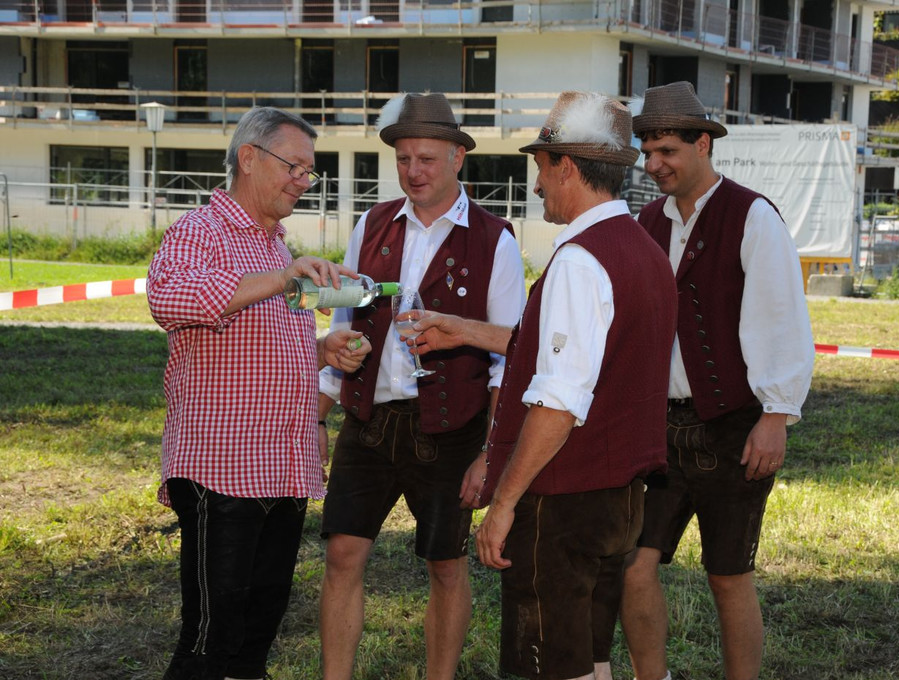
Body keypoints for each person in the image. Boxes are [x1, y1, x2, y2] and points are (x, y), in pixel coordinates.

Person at [147, 106, 371, 680]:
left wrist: (325, 350)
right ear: (248, 159)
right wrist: (282, 278)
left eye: (308, 171)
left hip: (280, 467)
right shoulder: (201, 231)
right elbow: (169, 300)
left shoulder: (276, 245)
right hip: (221, 469)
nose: (303, 180)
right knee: (209, 643)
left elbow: (264, 340)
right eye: (294, 166)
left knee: (254, 637)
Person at [316, 92, 526, 680]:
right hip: (368, 419)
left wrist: (491, 451)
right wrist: (318, 412)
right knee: (341, 553)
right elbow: (343, 324)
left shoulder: (494, 240)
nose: (413, 172)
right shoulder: (371, 224)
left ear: (459, 157)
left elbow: (511, 352)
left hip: (450, 429)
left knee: (446, 564)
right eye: (404, 159)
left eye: (427, 158)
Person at [474, 91, 678, 680]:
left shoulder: (581, 259)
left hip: (561, 502)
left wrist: (504, 502)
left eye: (541, 167)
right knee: (589, 658)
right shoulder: (644, 250)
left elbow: (559, 402)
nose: (536, 184)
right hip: (618, 499)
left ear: (566, 165)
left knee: (547, 665)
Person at [619, 81, 815, 680]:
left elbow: (781, 318)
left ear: (704, 144)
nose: (654, 166)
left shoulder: (752, 215)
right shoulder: (646, 221)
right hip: (659, 430)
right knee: (633, 566)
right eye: (648, 153)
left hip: (733, 427)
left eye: (667, 152)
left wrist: (775, 416)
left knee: (728, 576)